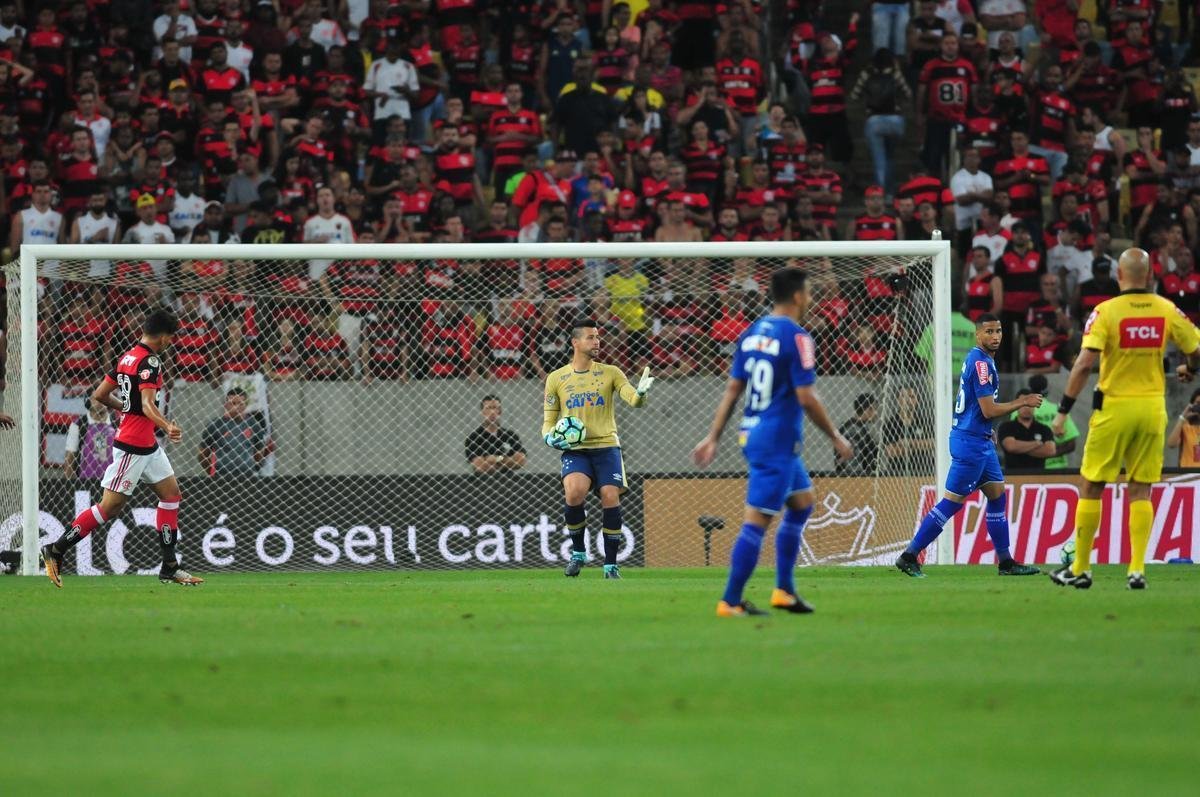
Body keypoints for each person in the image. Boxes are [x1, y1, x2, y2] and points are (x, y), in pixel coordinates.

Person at [692, 269, 852, 616]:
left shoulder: (751, 333)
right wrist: (836, 435)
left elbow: (734, 389)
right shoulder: (798, 338)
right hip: (777, 438)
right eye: (808, 294)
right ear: (797, 296)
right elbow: (806, 397)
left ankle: (784, 591)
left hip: (754, 432)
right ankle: (730, 600)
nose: (810, 300)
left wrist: (713, 436)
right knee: (757, 521)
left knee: (803, 502)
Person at [1050, 248, 1200, 590]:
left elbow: (1084, 364)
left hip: (1114, 408)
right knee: (1141, 489)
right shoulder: (1166, 309)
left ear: (1119, 275)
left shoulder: (1105, 312)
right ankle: (1136, 570)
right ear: (1148, 276)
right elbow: (1195, 350)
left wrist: (1063, 412)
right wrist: (1189, 369)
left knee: (1092, 484)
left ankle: (1082, 568)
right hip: (1151, 409)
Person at [40, 309, 203, 588]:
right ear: (163, 337)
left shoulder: (128, 357)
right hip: (132, 447)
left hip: (147, 446)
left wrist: (128, 408)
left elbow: (100, 395)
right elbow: (149, 405)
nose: (170, 343)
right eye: (170, 338)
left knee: (171, 494)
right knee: (108, 508)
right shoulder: (150, 362)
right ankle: (55, 549)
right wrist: (166, 426)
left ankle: (170, 566)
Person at [896, 313, 1043, 577]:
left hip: (980, 441)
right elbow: (988, 409)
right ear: (977, 335)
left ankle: (1006, 562)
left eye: (998, 331)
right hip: (970, 444)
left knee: (997, 496)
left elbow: (979, 410)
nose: (995, 336)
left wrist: (987, 431)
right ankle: (909, 555)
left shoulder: (984, 360)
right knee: (952, 502)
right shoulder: (981, 364)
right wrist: (1022, 402)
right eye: (988, 332)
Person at [542, 319, 654, 579]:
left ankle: (611, 565)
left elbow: (632, 400)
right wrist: (549, 438)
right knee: (574, 493)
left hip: (606, 447)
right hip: (576, 449)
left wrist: (641, 394)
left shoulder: (611, 372)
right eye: (591, 337)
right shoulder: (556, 378)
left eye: (598, 337)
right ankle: (579, 552)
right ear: (575, 342)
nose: (597, 342)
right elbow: (548, 421)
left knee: (610, 495)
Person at [1008, 374, 1078, 471]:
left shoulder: (1017, 411)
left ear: (1029, 389)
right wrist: (1047, 453)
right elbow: (1071, 445)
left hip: (1027, 469)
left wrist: (1037, 454)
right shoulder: (1059, 411)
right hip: (1058, 469)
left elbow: (1013, 443)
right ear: (1047, 389)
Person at [198, 387, 269, 477]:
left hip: (248, 478)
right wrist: (212, 472)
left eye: (240, 404)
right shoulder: (215, 425)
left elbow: (259, 453)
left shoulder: (254, 424)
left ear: (246, 405)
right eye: (233, 403)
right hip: (222, 477)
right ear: (226, 405)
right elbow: (202, 454)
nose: (236, 407)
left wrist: (253, 469)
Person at [997, 388, 1058, 471]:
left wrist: (1019, 448)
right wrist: (1036, 444)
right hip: (1013, 477)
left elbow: (1050, 450)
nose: (1027, 408)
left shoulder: (1044, 429)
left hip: (1039, 477)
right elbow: (1010, 446)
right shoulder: (1006, 427)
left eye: (1030, 405)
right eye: (1023, 404)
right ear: (1017, 406)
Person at [465, 395, 527, 474]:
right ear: (482, 412)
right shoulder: (473, 438)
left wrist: (496, 459)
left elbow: (520, 460)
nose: (492, 412)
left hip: (509, 483)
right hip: (482, 483)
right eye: (488, 408)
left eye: (495, 408)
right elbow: (480, 466)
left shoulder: (510, 435)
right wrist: (509, 460)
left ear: (500, 411)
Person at [881, 386, 935, 476]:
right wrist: (921, 446)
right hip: (897, 474)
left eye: (912, 397)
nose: (908, 400)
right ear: (898, 400)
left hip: (925, 472)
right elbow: (891, 452)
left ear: (917, 400)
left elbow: (933, 444)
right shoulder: (890, 424)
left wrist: (907, 443)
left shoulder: (925, 421)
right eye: (904, 396)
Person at [63, 399, 117, 481]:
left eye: (103, 397)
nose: (100, 402)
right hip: (84, 481)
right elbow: (70, 454)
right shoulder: (78, 424)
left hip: (112, 482)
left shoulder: (117, 423)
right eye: (96, 399)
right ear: (87, 401)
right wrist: (68, 483)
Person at [837, 393, 879, 476]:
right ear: (867, 409)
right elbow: (852, 464)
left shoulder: (859, 427)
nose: (876, 413)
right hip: (856, 481)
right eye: (874, 409)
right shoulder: (854, 429)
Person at [1166, 388, 1200, 469]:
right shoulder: (1185, 425)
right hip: (1187, 473)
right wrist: (1182, 418)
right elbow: (1171, 444)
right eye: (1198, 403)